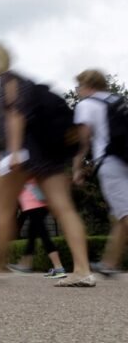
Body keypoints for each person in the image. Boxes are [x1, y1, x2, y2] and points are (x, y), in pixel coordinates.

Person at [0, 42, 94, 286]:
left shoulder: (8, 81)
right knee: (64, 209)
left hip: (24, 154)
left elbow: (16, 115)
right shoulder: (27, 82)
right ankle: (83, 270)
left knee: (3, 210)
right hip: (48, 156)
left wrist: (13, 152)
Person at [73, 69, 128, 278]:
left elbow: (83, 142)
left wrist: (77, 168)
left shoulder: (86, 105)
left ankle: (108, 263)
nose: (77, 90)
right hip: (125, 157)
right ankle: (108, 263)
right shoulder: (117, 100)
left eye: (79, 86)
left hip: (110, 162)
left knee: (125, 214)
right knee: (120, 214)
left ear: (87, 85)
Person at [8, 179, 66, 278]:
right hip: (34, 202)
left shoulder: (25, 170)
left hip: (34, 202)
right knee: (32, 234)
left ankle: (59, 267)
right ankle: (26, 264)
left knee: (43, 234)